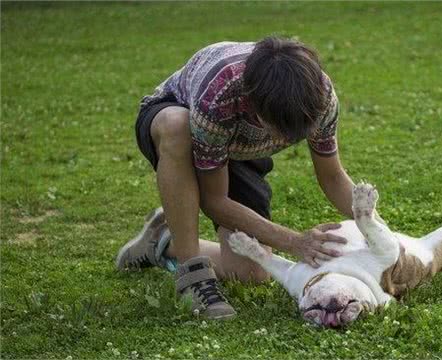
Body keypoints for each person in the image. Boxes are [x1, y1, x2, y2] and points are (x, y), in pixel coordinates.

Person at [116, 36, 366, 320]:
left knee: (252, 273)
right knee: (177, 126)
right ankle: (192, 275)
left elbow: (333, 178)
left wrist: (382, 232)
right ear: (254, 104)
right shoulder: (220, 91)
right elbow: (215, 199)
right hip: (179, 122)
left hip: (236, 148)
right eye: (278, 130)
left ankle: (160, 240)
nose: (285, 140)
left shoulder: (319, 97)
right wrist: (294, 241)